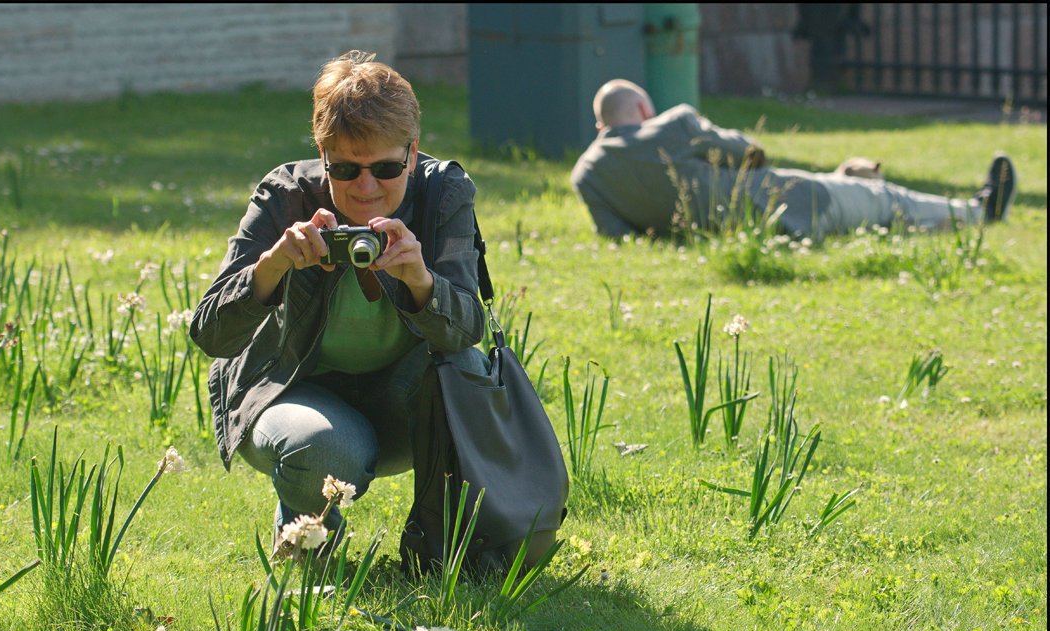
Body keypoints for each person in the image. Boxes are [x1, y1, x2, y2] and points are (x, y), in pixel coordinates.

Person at [190, 51, 488, 559]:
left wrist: (421, 281)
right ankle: (308, 538)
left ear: (413, 155)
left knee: (470, 376)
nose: (366, 187)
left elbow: (466, 332)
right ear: (323, 155)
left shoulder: (442, 194)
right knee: (326, 447)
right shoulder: (286, 195)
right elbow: (210, 334)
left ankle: (445, 547)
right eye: (346, 168)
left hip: (400, 398)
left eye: (387, 167)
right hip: (295, 391)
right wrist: (272, 266)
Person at [571, 79, 1017, 242]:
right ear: (643, 110)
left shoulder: (586, 175)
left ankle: (843, 176)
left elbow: (617, 235)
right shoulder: (673, 124)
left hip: (732, 231)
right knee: (885, 200)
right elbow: (749, 153)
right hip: (792, 207)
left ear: (600, 127)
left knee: (851, 193)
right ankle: (980, 211)